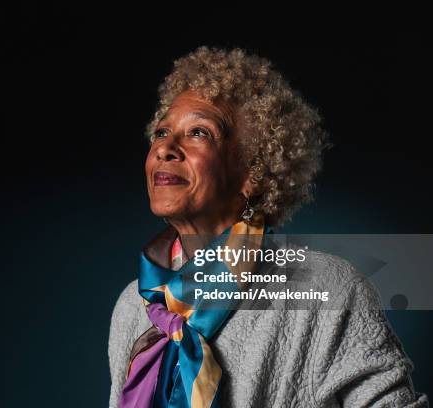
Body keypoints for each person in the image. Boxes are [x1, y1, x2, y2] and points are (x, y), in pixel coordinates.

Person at [108, 46, 428, 407]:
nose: (166, 148)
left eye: (199, 132)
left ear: (252, 174)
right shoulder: (133, 306)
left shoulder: (330, 290)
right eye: (162, 132)